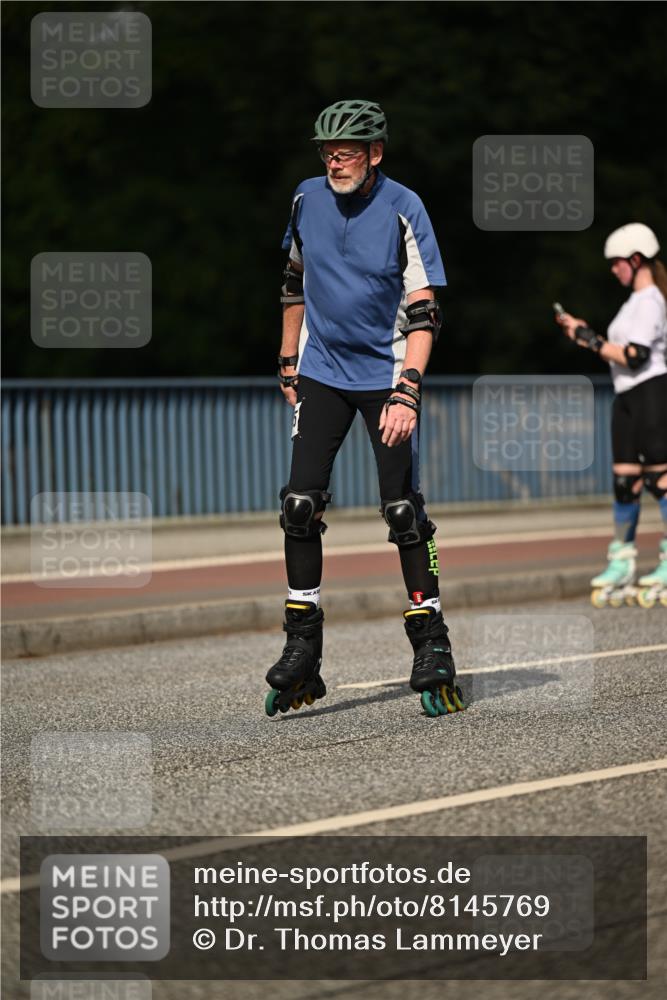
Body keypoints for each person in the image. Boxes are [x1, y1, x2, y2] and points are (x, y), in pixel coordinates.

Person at [264, 98, 464, 718]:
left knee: (402, 509)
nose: (333, 162)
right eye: (326, 151)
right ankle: (303, 648)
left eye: (345, 151)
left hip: (386, 374)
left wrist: (409, 388)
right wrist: (288, 359)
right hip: (322, 370)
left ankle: (431, 645)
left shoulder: (405, 206)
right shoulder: (306, 198)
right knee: (299, 504)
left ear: (376, 152)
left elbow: (425, 310)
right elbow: (294, 282)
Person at [555, 223, 667, 607]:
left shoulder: (651, 298)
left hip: (652, 393)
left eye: (618, 262)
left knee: (661, 479)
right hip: (626, 397)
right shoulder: (632, 303)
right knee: (625, 484)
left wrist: (590, 340)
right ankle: (622, 562)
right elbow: (618, 349)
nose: (613, 269)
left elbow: (636, 356)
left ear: (637, 260)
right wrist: (586, 334)